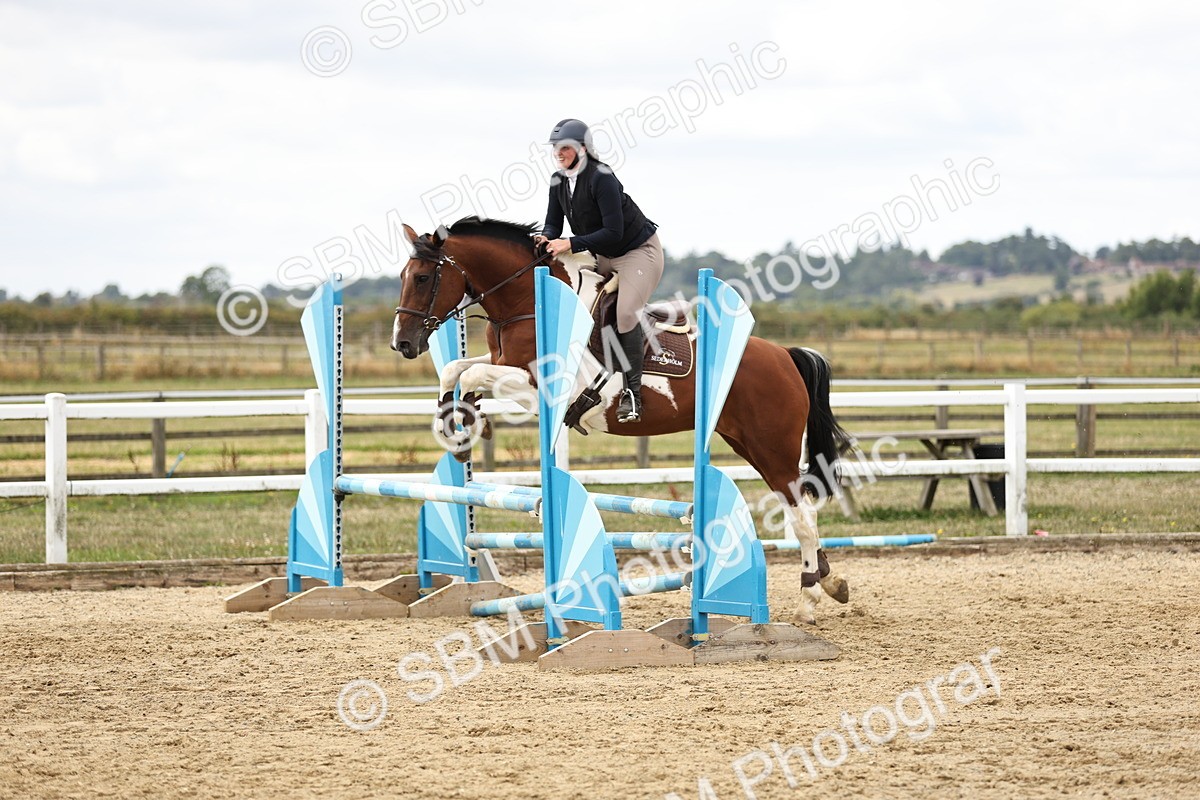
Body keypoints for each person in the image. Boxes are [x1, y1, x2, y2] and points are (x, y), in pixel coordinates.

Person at [534, 118, 662, 424]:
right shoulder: (557, 180)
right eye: (556, 149)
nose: (558, 154)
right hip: (601, 254)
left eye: (563, 148)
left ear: (582, 149)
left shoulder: (601, 177)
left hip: (636, 252)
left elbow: (614, 232)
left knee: (626, 312)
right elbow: (554, 223)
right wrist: (547, 237)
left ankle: (632, 395)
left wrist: (570, 243)